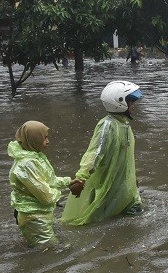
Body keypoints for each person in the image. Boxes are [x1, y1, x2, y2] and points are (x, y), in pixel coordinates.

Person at [61, 81, 143, 226]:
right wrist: (81, 178)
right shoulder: (108, 126)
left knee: (133, 216)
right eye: (131, 102)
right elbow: (94, 153)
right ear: (120, 103)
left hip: (125, 185)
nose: (134, 106)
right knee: (100, 218)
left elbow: (127, 157)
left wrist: (132, 177)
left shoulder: (124, 124)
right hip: (109, 182)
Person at [8, 120, 80, 248]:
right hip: (34, 217)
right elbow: (46, 196)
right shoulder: (27, 164)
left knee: (59, 246)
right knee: (52, 252)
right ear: (33, 139)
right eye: (44, 138)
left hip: (41, 213)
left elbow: (49, 180)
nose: (48, 141)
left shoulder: (36, 157)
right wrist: (63, 193)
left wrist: (68, 182)